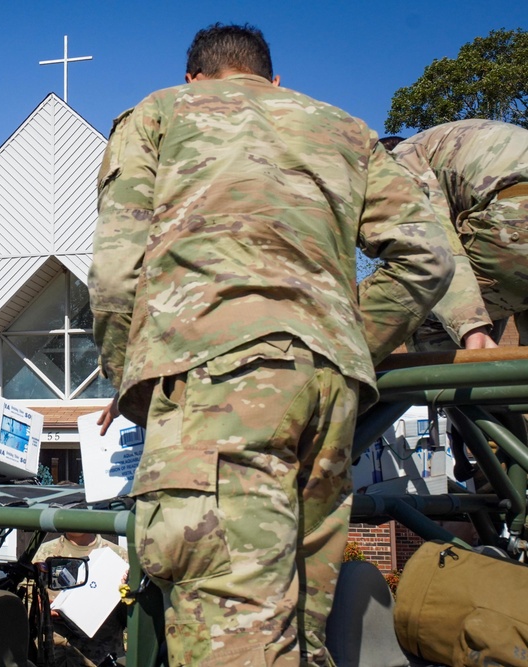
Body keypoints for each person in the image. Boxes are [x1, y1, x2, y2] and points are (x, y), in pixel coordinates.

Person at [88, 23, 453, 666]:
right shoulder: (344, 128)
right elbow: (426, 258)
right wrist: (345, 339)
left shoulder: (162, 113)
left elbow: (118, 275)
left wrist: (131, 378)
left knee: (234, 635)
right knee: (304, 635)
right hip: (330, 394)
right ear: (273, 81)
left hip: (215, 388)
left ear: (194, 78)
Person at [389, 119, 528, 352]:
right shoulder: (460, 139)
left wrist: (470, 326)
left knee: (419, 301)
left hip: (515, 226)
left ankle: (454, 383)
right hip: (513, 225)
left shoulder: (396, 161)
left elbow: (431, 243)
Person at [34, 531, 128, 667]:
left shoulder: (119, 556)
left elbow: (132, 614)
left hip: (101, 657)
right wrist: (40, 609)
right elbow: (25, 603)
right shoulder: (43, 553)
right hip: (54, 655)